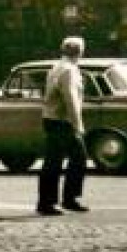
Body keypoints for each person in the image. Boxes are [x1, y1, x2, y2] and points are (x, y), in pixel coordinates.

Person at [38, 35, 89, 216]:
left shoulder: (57, 67)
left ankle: (49, 201)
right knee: (78, 158)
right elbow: (71, 98)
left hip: (51, 118)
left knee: (53, 161)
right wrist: (78, 124)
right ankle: (64, 199)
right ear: (80, 52)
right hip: (62, 120)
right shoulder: (70, 70)